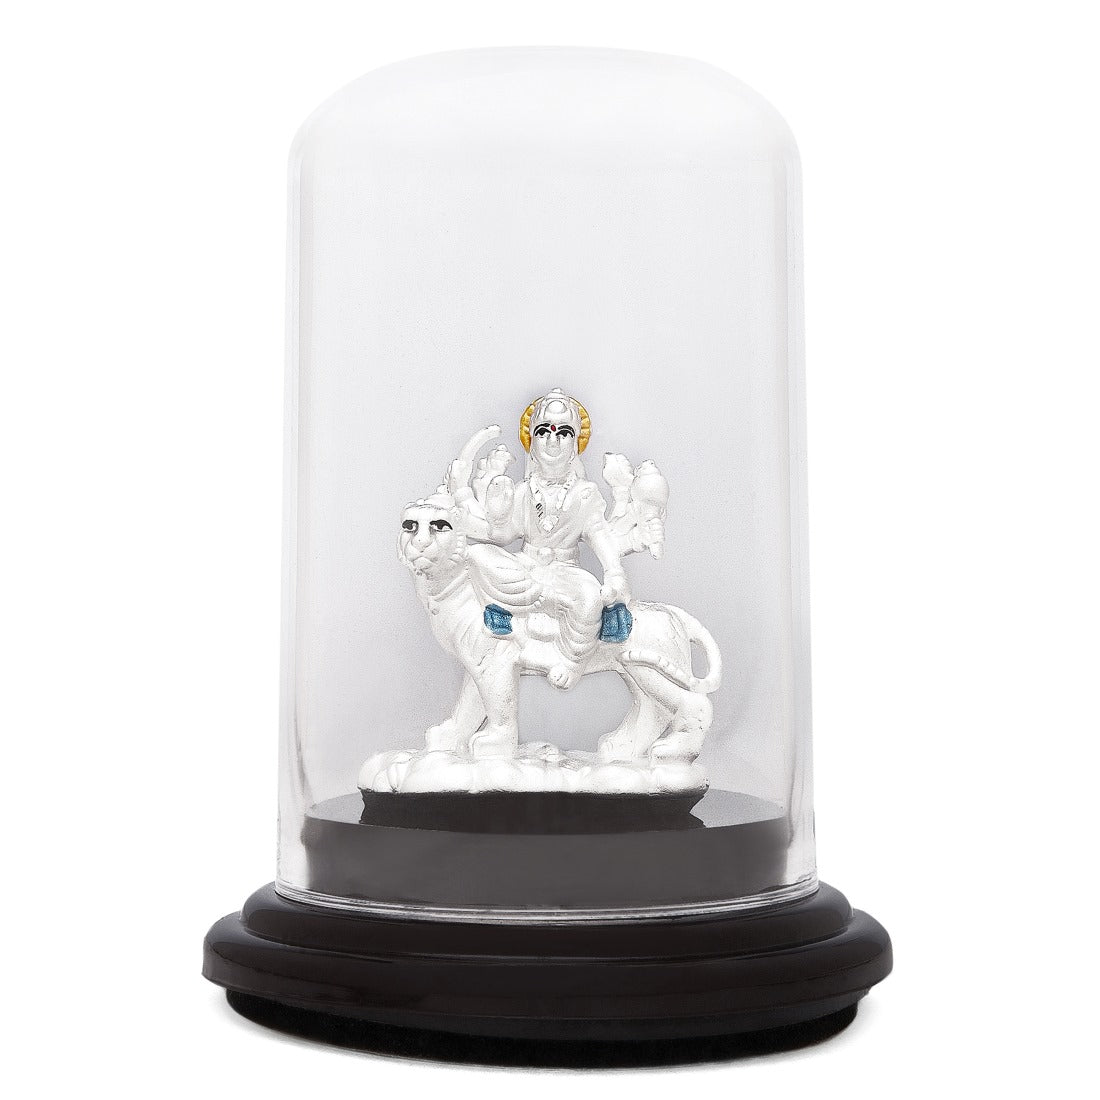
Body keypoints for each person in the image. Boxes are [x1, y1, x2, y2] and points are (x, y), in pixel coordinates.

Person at [446, 389, 627, 689]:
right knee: (477, 557)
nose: (552, 441)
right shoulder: (522, 491)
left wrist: (614, 572)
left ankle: (571, 661)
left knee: (590, 599)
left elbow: (599, 534)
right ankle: (513, 614)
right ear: (532, 442)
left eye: (563, 433)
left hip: (566, 572)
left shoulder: (585, 494)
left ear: (575, 445)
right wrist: (495, 514)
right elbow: (502, 536)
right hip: (526, 566)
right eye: (543, 432)